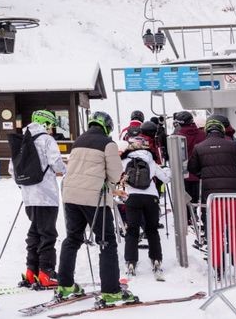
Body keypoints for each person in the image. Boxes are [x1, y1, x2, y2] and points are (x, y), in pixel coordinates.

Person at [54, 112, 138, 307]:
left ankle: (65, 285)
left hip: (70, 196)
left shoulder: (78, 142)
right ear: (107, 127)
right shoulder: (107, 143)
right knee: (107, 241)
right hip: (94, 200)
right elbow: (116, 174)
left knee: (72, 239)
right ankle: (110, 291)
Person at [187, 114, 236, 272]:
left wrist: (204, 174)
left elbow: (192, 168)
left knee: (215, 231)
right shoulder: (232, 145)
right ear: (222, 130)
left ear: (206, 130)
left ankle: (218, 268)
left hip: (212, 198)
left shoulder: (199, 147)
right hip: (233, 196)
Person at [12, 110, 66, 289]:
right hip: (47, 196)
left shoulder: (22, 140)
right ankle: (46, 273)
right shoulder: (46, 140)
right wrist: (66, 169)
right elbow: (57, 164)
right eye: (51, 126)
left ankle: (31, 272)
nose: (51, 129)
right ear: (45, 123)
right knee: (48, 234)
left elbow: (13, 169)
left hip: (29, 196)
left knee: (34, 232)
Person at [120, 135, 170, 278]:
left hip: (132, 197)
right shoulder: (151, 160)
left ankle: (130, 261)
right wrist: (168, 170)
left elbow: (116, 176)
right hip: (151, 198)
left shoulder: (125, 160)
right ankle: (156, 260)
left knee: (132, 230)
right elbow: (165, 178)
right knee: (152, 230)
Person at [172, 111, 206, 226]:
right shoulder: (202, 134)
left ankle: (186, 220)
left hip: (184, 174)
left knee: (185, 200)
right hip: (200, 173)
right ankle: (203, 220)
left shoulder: (178, 136)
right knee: (200, 200)